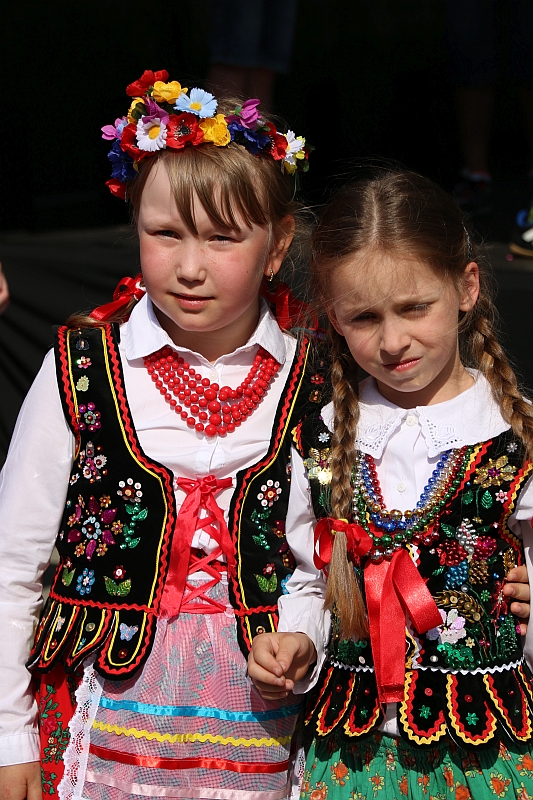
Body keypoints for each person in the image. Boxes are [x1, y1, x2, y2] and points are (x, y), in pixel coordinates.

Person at [0, 69, 321, 800]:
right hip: (96, 707)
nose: (188, 266)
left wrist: (302, 631)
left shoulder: (311, 378)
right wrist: (6, 733)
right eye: (164, 234)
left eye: (221, 239)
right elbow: (10, 562)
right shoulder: (85, 366)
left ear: (277, 246)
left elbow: (318, 560)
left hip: (256, 718)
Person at [249, 168, 533, 798]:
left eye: (414, 308)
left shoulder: (517, 438)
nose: (393, 340)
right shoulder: (321, 436)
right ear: (333, 319)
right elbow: (308, 578)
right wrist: (297, 640)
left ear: (465, 287)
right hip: (351, 758)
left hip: (487, 755)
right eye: (364, 317)